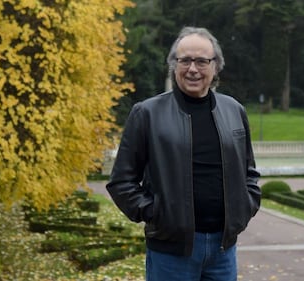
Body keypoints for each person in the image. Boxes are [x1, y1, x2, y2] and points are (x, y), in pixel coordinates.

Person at [106, 26, 261, 281]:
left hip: (223, 250)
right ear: (174, 65)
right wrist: (156, 215)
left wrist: (246, 206)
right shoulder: (147, 113)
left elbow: (249, 172)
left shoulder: (234, 110)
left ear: (215, 66)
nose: (192, 69)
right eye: (185, 60)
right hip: (171, 253)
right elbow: (122, 181)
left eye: (201, 61)